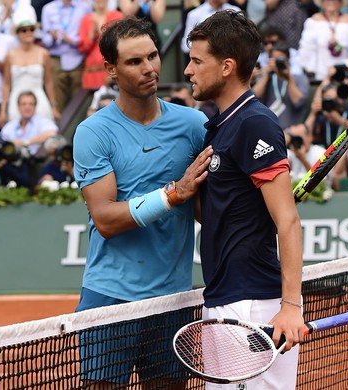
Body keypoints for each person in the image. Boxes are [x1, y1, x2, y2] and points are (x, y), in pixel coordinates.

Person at [73, 17, 212, 388]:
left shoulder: (194, 125)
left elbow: (205, 211)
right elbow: (105, 218)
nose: (149, 68)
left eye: (152, 56)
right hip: (110, 299)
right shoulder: (93, 132)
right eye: (135, 62)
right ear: (111, 70)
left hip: (173, 301)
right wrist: (174, 194)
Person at [184, 10, 305, 389]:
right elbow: (220, 216)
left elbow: (287, 221)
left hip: (255, 304)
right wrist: (185, 191)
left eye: (197, 61)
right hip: (222, 299)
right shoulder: (218, 128)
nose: (188, 70)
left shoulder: (255, 123)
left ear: (226, 67)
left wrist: (290, 307)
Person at [0, 9, 60, 126]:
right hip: (16, 100)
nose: (28, 33)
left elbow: (48, 82)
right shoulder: (10, 55)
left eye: (31, 29)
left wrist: (53, 107)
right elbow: (6, 84)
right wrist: (2, 110)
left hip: (39, 99)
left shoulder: (43, 53)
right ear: (18, 33)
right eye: (24, 30)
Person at [40, 0, 92, 113]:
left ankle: (77, 128)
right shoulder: (48, 9)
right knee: (57, 99)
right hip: (56, 58)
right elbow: (45, 39)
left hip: (77, 58)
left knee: (78, 100)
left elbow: (88, 36)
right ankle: (59, 129)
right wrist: (52, 38)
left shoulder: (84, 8)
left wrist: (71, 40)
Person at [252, 42, 309, 129]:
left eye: (280, 59)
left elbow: (298, 102)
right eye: (274, 59)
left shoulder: (300, 78)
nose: (277, 63)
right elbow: (253, 97)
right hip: (268, 129)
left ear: (288, 59)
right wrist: (266, 75)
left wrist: (289, 78)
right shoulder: (267, 79)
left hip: (292, 132)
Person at [297, 0, 348, 81]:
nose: (331, 2)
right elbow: (306, 50)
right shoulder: (313, 21)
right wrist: (309, 69)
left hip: (346, 73)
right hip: (321, 73)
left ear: (341, 2)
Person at [1, 91, 58, 158]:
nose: (27, 107)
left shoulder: (42, 122)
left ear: (35, 107)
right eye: (24, 104)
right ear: (18, 107)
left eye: (31, 104)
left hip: (35, 161)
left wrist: (25, 142)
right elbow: (2, 139)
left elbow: (52, 133)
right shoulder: (10, 126)